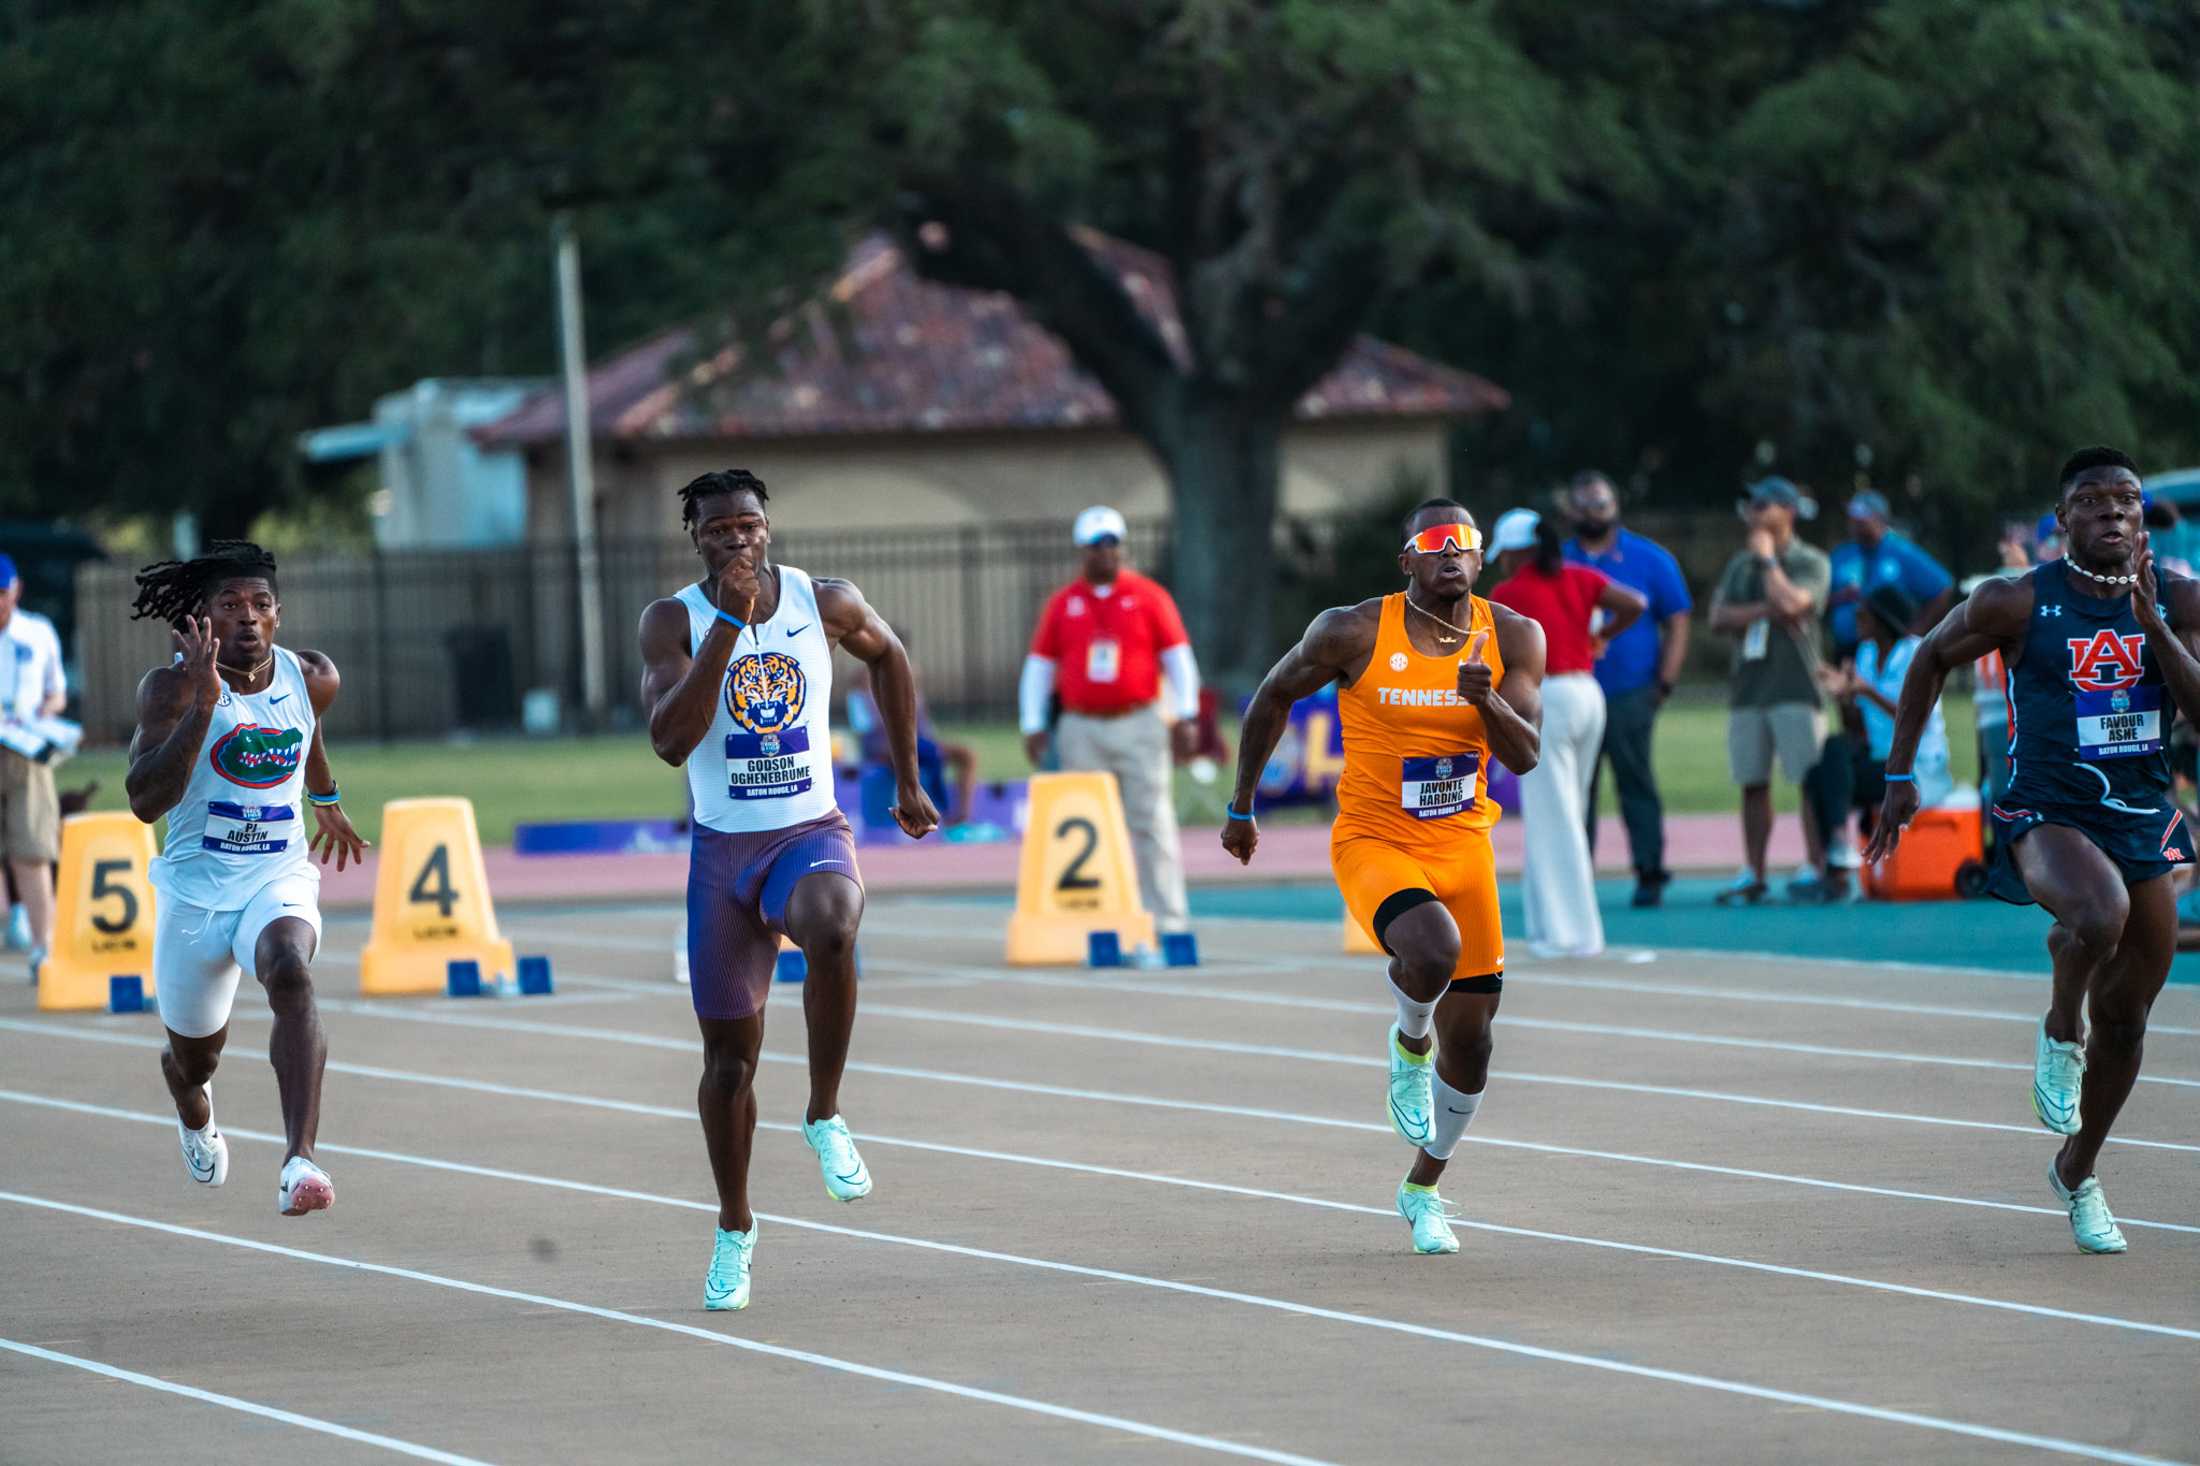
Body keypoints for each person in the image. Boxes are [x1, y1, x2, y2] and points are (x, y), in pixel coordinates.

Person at [1868, 446, 2192, 1254]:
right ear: (2062, 521)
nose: (2113, 512)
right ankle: (2058, 1026)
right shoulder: (2017, 600)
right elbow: (1929, 656)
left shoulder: (2180, 596)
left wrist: (2153, 625)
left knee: (2129, 1019)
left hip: (2142, 809)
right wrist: (1900, 771)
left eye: (2126, 499)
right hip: (2045, 806)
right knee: (2099, 913)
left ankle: (2078, 1171)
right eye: (2093, 500)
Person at [639, 468, 940, 1312]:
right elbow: (669, 740)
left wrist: (907, 779)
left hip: (809, 831)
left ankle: (824, 1114)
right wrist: (728, 628)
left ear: (768, 527)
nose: (737, 539)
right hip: (724, 855)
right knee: (729, 1066)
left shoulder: (825, 601)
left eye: (748, 524)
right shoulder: (673, 621)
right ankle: (735, 1226)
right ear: (695, 538)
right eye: (718, 529)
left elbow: (891, 656)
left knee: (833, 922)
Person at [1220, 499, 1547, 1255]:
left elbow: (1527, 754)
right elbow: (1271, 696)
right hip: (1374, 837)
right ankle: (1409, 1042)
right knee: (1430, 949)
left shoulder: (1515, 637)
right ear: (1406, 560)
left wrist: (1484, 697)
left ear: (1480, 558)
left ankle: (1423, 1188)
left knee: (1478, 1045)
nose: (1452, 556)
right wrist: (1241, 806)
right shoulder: (1352, 630)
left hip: (1463, 843)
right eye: (1435, 544)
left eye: (1465, 544)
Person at [123, 541, 370, 1216]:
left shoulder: (312, 675)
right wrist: (205, 705)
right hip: (196, 894)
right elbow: (145, 801)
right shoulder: (170, 690)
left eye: (260, 605)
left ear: (279, 616)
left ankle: (300, 1162)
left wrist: (325, 798)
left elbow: (307, 731)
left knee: (290, 969)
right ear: (200, 621)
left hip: (274, 873)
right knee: (195, 1062)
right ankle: (190, 1105)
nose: (247, 618)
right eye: (229, 606)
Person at [1019, 506, 1201, 941]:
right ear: (1083, 551)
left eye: (1113, 543)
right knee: (1085, 822)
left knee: (1152, 820)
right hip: (1081, 725)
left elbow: (1178, 660)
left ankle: (1167, 919)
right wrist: (1032, 722)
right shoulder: (1063, 603)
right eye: (1097, 545)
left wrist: (1187, 715)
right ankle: (1094, 920)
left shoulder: (1150, 596)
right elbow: (1040, 666)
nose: (1106, 552)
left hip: (1139, 722)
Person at [1488, 508, 1644, 956]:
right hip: (1588, 696)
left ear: (1521, 552)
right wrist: (1603, 637)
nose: (1502, 563)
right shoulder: (1581, 576)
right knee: (1563, 814)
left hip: (1549, 700)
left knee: (1555, 819)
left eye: (1506, 554)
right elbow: (1635, 603)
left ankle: (1572, 935)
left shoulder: (1508, 593)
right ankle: (1547, 926)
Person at [1563, 471, 1693, 907]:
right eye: (1584, 505)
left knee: (1636, 782)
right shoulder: (1559, 561)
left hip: (1631, 691)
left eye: (1600, 504)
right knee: (1578, 788)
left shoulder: (1649, 558)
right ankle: (1577, 877)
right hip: (1572, 689)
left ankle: (1650, 872)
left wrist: (1666, 680)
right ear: (1571, 511)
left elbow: (1677, 619)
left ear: (1615, 506)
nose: (1593, 513)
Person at [1709, 478, 1833, 904]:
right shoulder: (1739, 564)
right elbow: (1718, 617)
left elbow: (1797, 603)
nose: (1754, 513)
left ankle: (1815, 865)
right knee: (1752, 782)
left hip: (1797, 687)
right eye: (1751, 505)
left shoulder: (1811, 560)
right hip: (1749, 689)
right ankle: (1754, 870)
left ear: (1789, 511)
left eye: (1763, 505)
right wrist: (1764, 608)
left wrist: (1767, 563)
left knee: (1809, 781)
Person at [1816, 583, 1953, 850]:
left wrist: (1866, 691)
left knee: (1833, 775)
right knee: (1819, 769)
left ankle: (1841, 857)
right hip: (1881, 760)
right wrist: (1844, 697)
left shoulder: (1917, 653)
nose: (1855, 620)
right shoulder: (1865, 654)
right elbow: (1855, 725)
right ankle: (1829, 859)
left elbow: (1919, 716)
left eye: (1861, 615)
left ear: (1882, 620)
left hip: (1917, 769)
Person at [0, 555, 67, 978]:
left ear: (15, 590)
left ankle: (46, 946)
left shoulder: (38, 632)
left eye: (1, 594)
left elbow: (57, 693)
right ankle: (13, 921)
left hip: (26, 752)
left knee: (33, 851)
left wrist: (44, 712)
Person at [847, 640, 975, 827]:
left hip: (916, 742)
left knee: (964, 753)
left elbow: (922, 725)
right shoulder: (862, 685)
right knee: (927, 755)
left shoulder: (908, 679)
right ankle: (940, 812)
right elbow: (864, 728)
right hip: (884, 746)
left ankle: (961, 816)